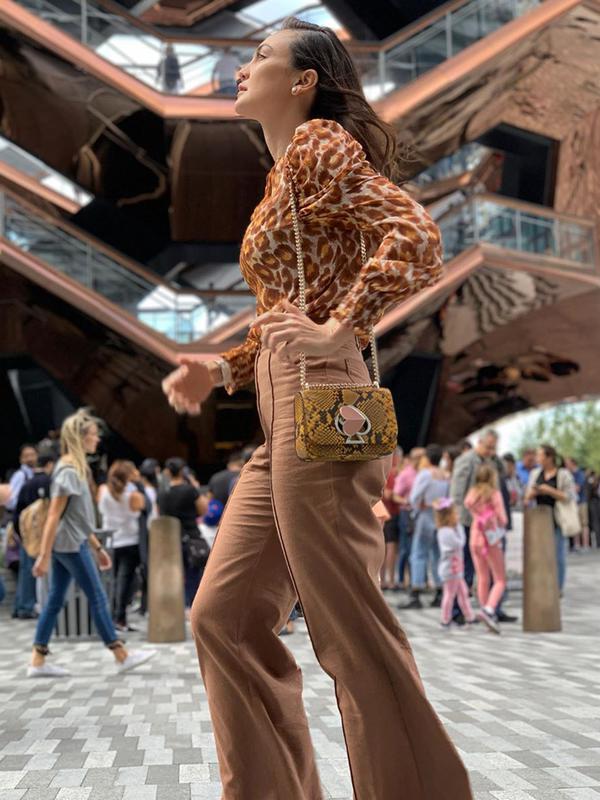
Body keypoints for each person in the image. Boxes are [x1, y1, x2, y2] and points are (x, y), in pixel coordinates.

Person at [162, 18, 472, 799]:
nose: (242, 67)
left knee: (348, 630)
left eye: (260, 56)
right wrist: (225, 369)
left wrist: (342, 325)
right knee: (223, 616)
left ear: (304, 82)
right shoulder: (284, 172)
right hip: (286, 407)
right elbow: (289, 310)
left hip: (324, 398)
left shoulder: (319, 146)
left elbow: (414, 234)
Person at [28, 409, 155, 677]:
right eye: (94, 435)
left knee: (55, 599)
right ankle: (120, 654)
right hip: (70, 545)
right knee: (97, 596)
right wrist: (44, 555)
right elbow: (54, 515)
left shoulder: (74, 469)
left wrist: (97, 548)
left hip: (72, 542)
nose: (97, 440)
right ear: (81, 437)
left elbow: (79, 518)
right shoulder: (69, 471)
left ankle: (37, 660)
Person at [98, 460, 146, 632]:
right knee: (125, 581)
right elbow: (143, 507)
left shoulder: (103, 491)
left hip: (110, 541)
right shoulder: (134, 495)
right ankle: (120, 617)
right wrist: (139, 484)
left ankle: (111, 616)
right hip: (130, 540)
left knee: (112, 580)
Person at [450, 429, 498, 593]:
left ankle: (485, 604)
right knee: (465, 564)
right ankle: (459, 608)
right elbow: (457, 491)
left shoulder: (490, 461)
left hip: (484, 521)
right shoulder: (466, 460)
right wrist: (456, 515)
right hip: (467, 519)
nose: (491, 451)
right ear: (480, 442)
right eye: (488, 447)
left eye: (494, 448)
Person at [524, 445, 576, 594]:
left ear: (549, 457)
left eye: (540, 455)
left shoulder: (563, 474)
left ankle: (558, 587)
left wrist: (550, 491)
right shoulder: (535, 473)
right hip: (539, 519)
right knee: (540, 555)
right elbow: (527, 496)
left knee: (558, 555)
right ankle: (543, 584)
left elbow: (569, 496)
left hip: (557, 518)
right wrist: (532, 493)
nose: (537, 458)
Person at [402, 444, 448, 610]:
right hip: (440, 515)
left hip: (425, 514)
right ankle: (439, 589)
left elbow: (414, 496)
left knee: (419, 553)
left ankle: (416, 589)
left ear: (427, 458)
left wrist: (416, 506)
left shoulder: (425, 475)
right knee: (437, 554)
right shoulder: (444, 475)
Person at [159, 457, 208, 610]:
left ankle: (176, 606)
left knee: (174, 573)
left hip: (171, 537)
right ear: (182, 471)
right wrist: (195, 486)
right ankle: (191, 605)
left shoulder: (162, 494)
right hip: (191, 535)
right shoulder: (189, 490)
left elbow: (160, 515)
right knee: (193, 572)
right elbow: (203, 510)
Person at [464, 465, 508, 634]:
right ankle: (489, 609)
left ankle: (484, 611)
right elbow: (503, 519)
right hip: (491, 539)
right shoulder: (494, 494)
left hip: (475, 537)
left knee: (482, 577)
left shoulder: (472, 494)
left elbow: (469, 509)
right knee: (500, 579)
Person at [12, 451, 56, 619]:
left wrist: (20, 534)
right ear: (50, 464)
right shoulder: (50, 482)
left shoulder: (27, 483)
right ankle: (29, 606)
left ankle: (21, 606)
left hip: (27, 533)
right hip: (44, 534)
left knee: (26, 571)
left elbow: (17, 511)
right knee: (41, 573)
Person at [433, 498, 477, 630]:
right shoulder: (445, 532)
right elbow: (459, 543)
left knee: (463, 593)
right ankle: (445, 620)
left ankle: (470, 618)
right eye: (455, 513)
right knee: (450, 595)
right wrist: (460, 528)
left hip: (456, 569)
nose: (457, 515)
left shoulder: (449, 530)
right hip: (450, 570)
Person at [392, 446, 424, 589]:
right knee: (406, 548)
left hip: (419, 513)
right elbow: (395, 494)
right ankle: (402, 579)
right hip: (407, 513)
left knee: (416, 547)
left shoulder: (423, 473)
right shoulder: (406, 474)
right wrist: (407, 501)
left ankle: (415, 579)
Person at [379, 446, 403, 590]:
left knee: (386, 548)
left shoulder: (385, 471)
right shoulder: (390, 473)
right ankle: (388, 579)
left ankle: (384, 579)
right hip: (389, 513)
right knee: (389, 548)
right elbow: (388, 494)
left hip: (387, 513)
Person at [564, 456, 588, 550]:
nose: (566, 465)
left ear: (573, 463)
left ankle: (585, 545)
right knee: (575, 523)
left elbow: (577, 488)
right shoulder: (569, 474)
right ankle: (576, 544)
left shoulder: (579, 474)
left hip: (581, 502)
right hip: (573, 503)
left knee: (584, 524)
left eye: (567, 463)